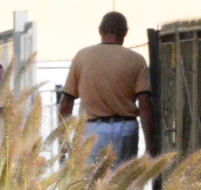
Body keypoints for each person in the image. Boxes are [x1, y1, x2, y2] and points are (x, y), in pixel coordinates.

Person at [58, 11, 152, 166]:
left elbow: (66, 103)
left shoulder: (82, 57)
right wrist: (150, 145)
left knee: (92, 185)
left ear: (100, 30)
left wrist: (64, 141)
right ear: (125, 32)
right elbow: (145, 104)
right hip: (126, 129)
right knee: (122, 184)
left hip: (92, 130)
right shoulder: (137, 60)